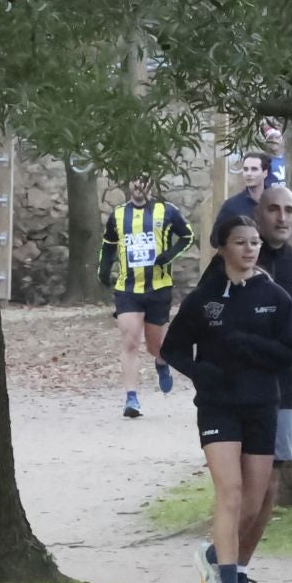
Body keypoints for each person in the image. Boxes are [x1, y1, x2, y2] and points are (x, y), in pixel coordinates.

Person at [160, 214, 292, 583]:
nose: (250, 249)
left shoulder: (275, 297)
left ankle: (213, 554)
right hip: (219, 405)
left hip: (262, 404)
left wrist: (248, 344)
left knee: (254, 504)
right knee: (231, 492)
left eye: (255, 242)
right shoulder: (204, 300)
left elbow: (289, 355)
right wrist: (202, 372)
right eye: (241, 242)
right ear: (222, 247)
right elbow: (173, 349)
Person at [218, 184, 292, 583]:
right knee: (237, 485)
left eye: (290, 211)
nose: (282, 217)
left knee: (269, 486)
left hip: (284, 385)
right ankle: (221, 563)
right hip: (237, 388)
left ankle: (239, 569)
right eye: (274, 210)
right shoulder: (237, 258)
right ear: (259, 213)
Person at [98, 175, 194, 417]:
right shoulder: (118, 214)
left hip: (158, 287)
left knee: (156, 346)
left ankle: (162, 361)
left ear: (152, 184)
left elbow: (187, 237)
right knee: (130, 341)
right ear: (128, 183)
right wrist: (103, 269)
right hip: (127, 288)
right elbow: (109, 243)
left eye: (144, 181)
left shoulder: (167, 211)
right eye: (134, 181)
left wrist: (168, 255)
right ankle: (131, 398)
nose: (138, 185)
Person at [213, 151, 270, 233]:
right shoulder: (231, 205)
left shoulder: (274, 202)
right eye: (246, 169)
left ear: (265, 173)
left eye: (254, 169)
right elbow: (215, 238)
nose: (249, 174)